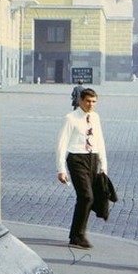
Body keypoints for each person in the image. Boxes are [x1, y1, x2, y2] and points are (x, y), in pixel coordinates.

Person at [56, 88, 108, 249]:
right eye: (88, 101)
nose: (91, 104)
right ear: (80, 101)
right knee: (86, 197)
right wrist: (61, 169)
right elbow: (61, 143)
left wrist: (103, 165)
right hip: (76, 159)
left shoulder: (95, 117)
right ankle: (79, 235)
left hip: (92, 159)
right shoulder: (70, 118)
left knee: (87, 198)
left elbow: (99, 140)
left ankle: (75, 234)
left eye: (93, 102)